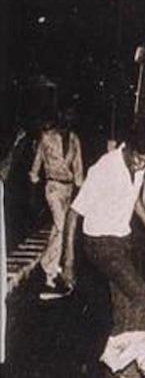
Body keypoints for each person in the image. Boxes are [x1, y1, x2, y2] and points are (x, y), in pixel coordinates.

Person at [62, 119, 145, 378]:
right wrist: (68, 261)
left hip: (121, 243)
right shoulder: (104, 169)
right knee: (143, 298)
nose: (140, 164)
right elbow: (73, 213)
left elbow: (134, 199)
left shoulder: (139, 166)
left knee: (126, 311)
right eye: (137, 157)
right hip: (100, 244)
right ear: (127, 146)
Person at [29, 110, 84, 299]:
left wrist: (79, 189)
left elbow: (78, 167)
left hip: (68, 189)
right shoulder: (47, 138)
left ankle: (49, 268)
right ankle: (49, 268)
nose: (67, 121)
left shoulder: (74, 140)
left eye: (71, 117)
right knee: (61, 227)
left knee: (58, 228)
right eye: (65, 117)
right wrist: (34, 183)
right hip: (52, 187)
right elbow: (37, 163)